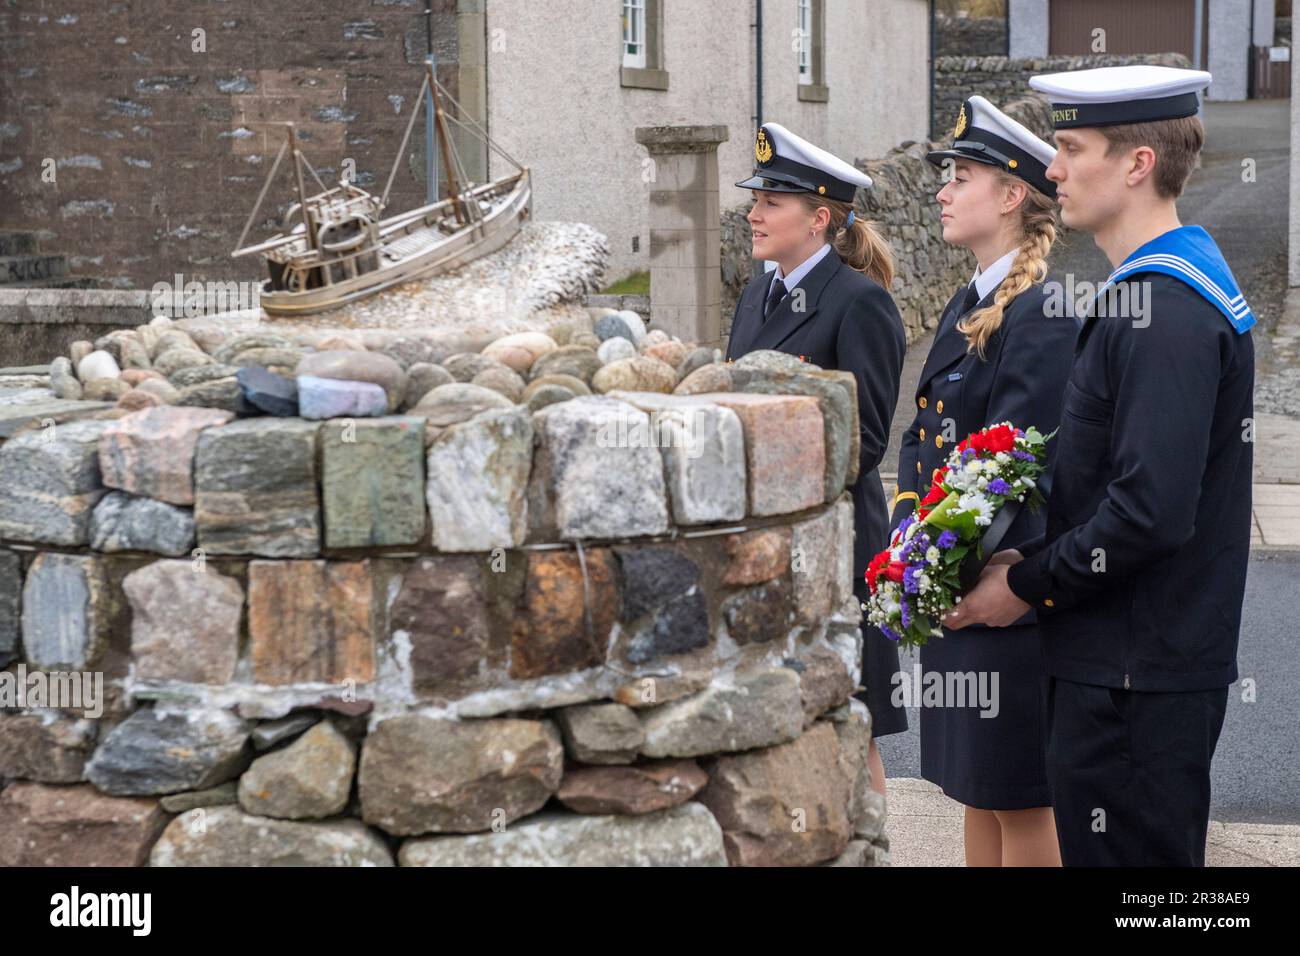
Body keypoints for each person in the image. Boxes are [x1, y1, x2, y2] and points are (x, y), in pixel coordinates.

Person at [946, 65, 1256, 867]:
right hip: (1126, 662)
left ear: (1137, 164)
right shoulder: (1151, 290)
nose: (1051, 169)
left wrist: (1019, 585)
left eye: (1069, 147)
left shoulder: (1167, 310)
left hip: (1133, 676)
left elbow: (1149, 512)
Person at [891, 95, 1077, 866]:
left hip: (1002, 602)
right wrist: (913, 546)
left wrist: (954, 573)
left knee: (1021, 800)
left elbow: (1015, 472)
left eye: (960, 175)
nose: (940, 189)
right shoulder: (969, 303)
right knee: (976, 791)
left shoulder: (1040, 314)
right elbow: (922, 436)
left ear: (1009, 196)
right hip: (955, 590)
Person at [727, 122, 907, 795]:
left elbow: (865, 440)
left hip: (835, 552)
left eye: (771, 202)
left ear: (820, 217)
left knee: (848, 731)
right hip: (761, 549)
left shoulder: (860, 302)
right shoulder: (755, 292)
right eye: (756, 200)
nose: (754, 213)